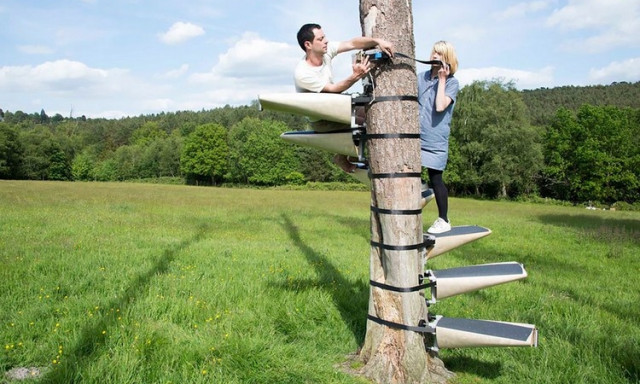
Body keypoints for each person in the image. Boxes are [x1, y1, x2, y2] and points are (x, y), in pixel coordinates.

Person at [294, 23, 394, 173]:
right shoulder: (303, 73)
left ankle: (351, 154)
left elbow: (352, 43)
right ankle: (344, 156)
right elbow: (334, 89)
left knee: (369, 108)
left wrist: (377, 41)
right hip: (322, 120)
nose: (326, 41)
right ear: (308, 44)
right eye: (321, 39)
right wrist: (355, 76)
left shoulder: (325, 52)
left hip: (335, 106)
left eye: (325, 36)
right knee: (366, 119)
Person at [418, 41, 459, 234]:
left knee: (436, 178)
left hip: (435, 140)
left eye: (440, 53)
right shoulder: (421, 78)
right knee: (412, 174)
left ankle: (444, 219)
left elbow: (440, 106)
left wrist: (442, 80)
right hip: (414, 137)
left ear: (447, 59)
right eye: (433, 51)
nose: (434, 55)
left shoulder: (452, 82)